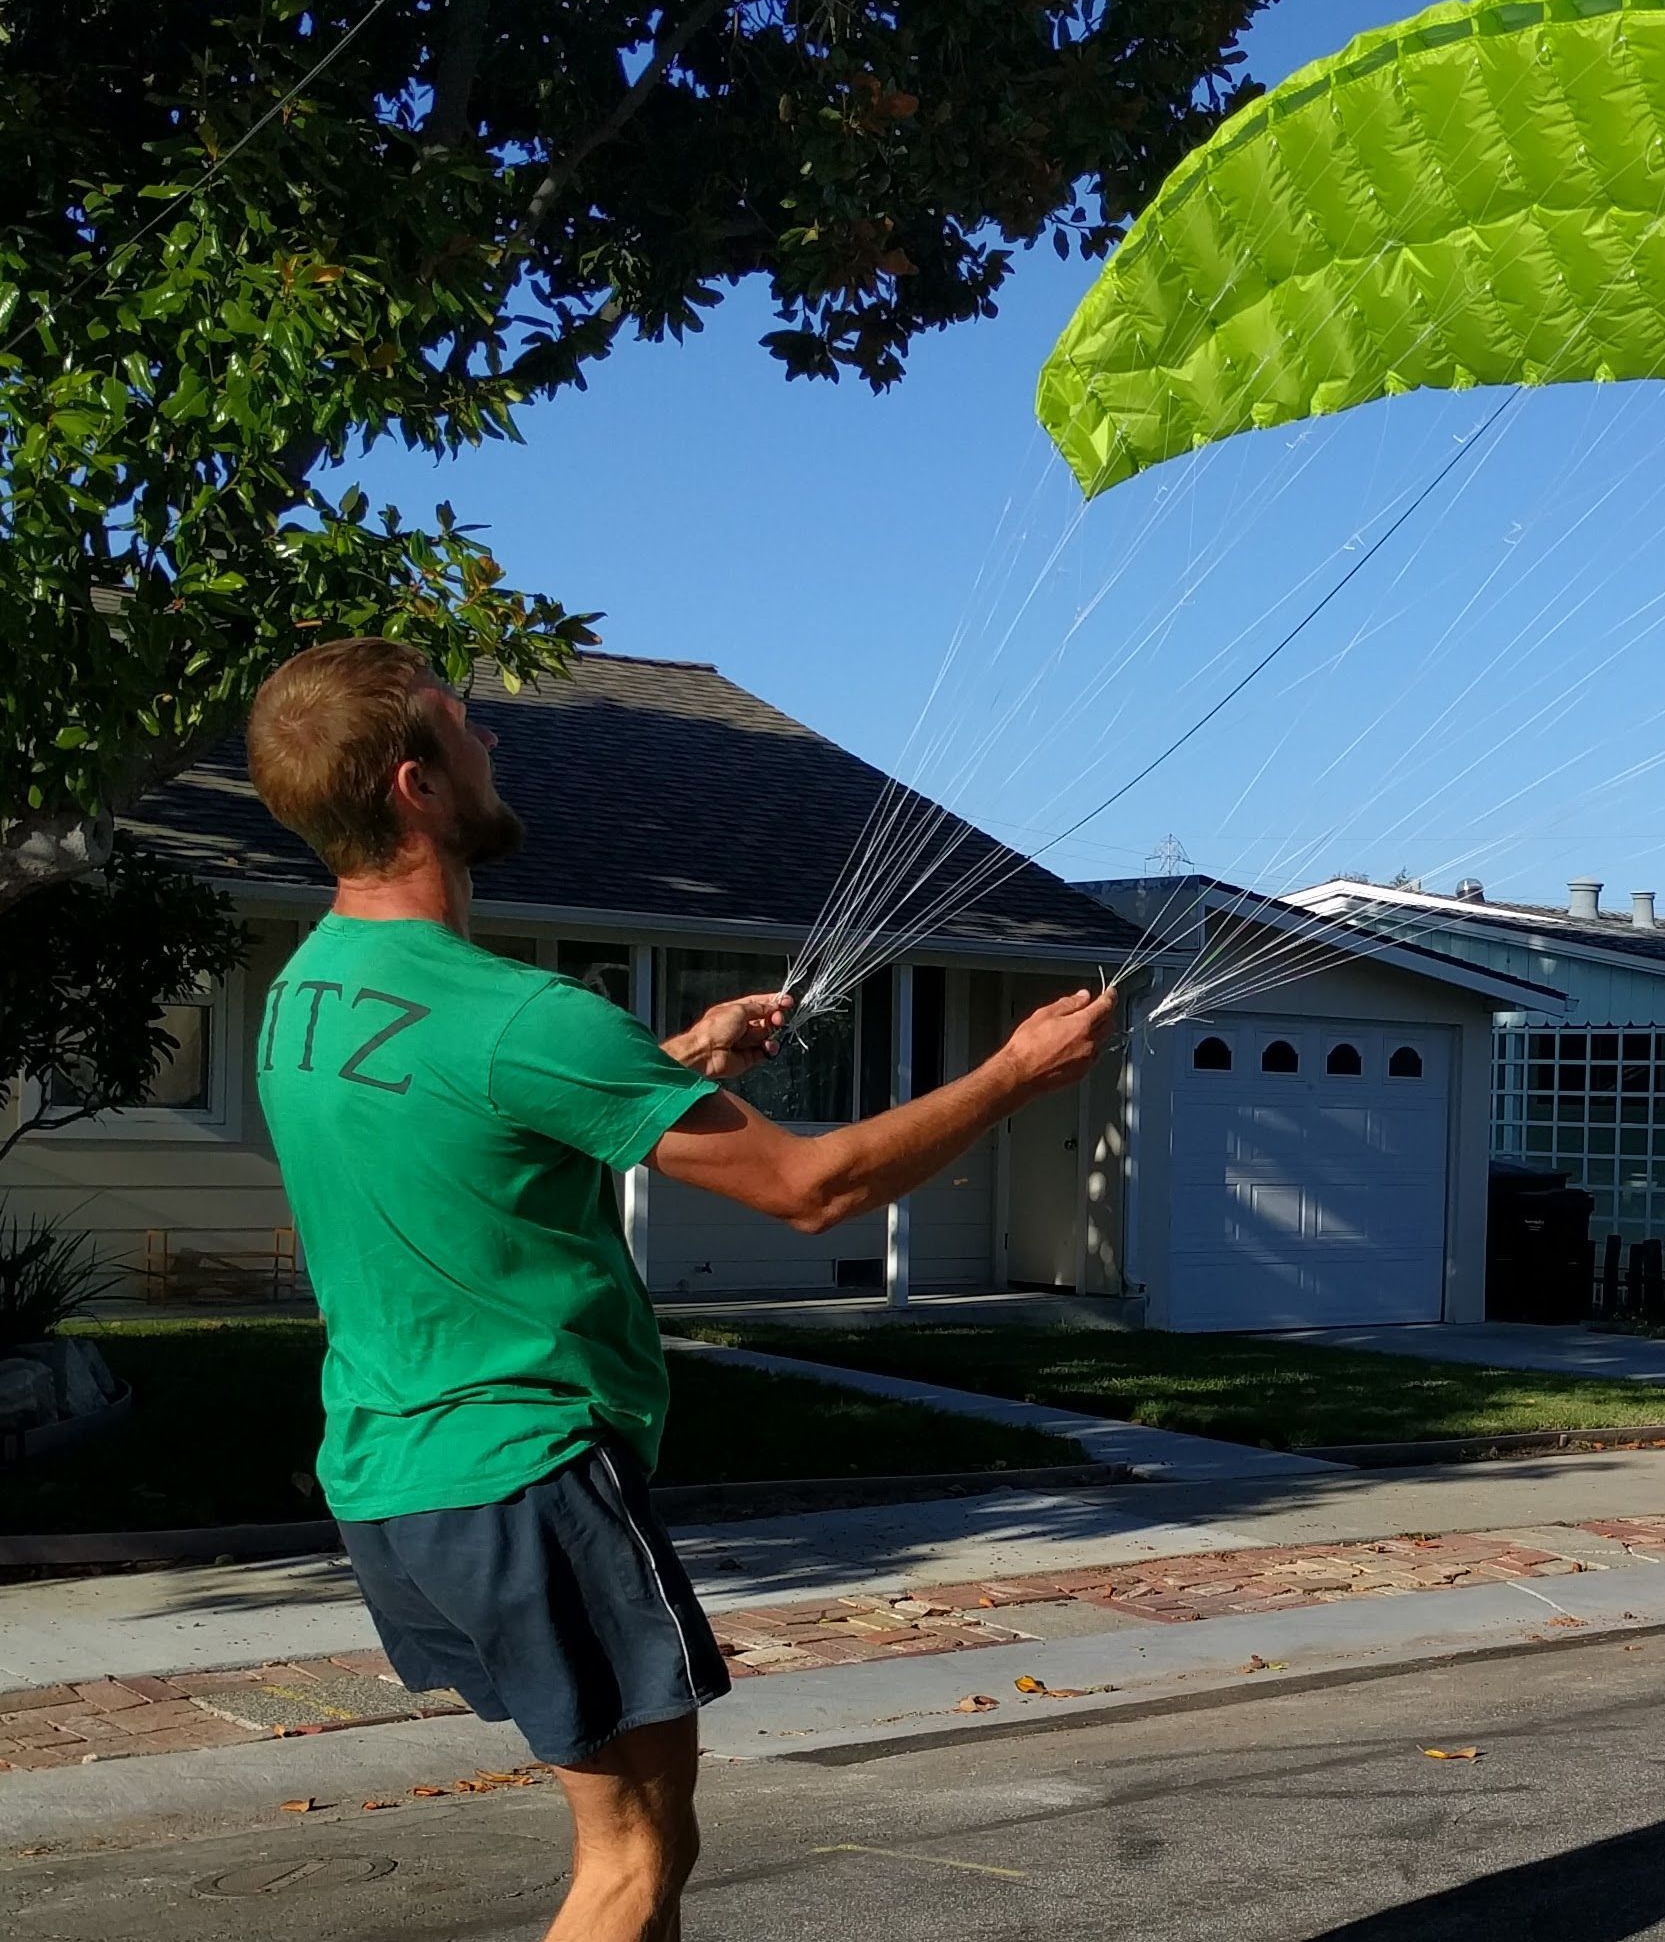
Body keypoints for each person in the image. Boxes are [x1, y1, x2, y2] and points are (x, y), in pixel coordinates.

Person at [242, 638, 1113, 1942]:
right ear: (418, 785)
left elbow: (467, 1109)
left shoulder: (304, 994)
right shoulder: (525, 1017)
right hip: (523, 1471)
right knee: (633, 1857)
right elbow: (812, 1189)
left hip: (394, 1478)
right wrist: (1011, 1079)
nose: (498, 744)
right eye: (466, 727)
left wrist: (678, 1061)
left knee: (627, 1840)